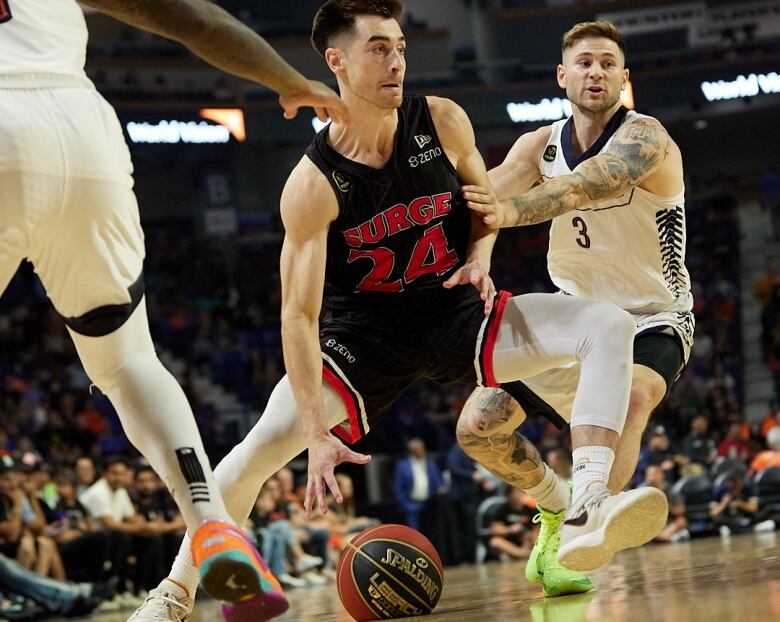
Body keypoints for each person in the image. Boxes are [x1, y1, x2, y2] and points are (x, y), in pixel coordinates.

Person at [135, 4, 666, 620]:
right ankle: (174, 593)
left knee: (606, 324)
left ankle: (587, 503)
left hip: (455, 313)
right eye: (378, 49)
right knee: (259, 450)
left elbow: (483, 207)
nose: (396, 62)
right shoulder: (312, 183)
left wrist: (481, 255)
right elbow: (296, 319)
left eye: (401, 48)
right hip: (365, 338)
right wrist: (314, 430)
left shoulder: (441, 119)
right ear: (335, 61)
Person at [1, 0, 348, 616]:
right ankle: (212, 523)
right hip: (81, 129)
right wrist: (288, 80)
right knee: (127, 362)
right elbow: (192, 18)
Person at [459, 19, 692, 595]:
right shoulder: (538, 144)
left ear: (624, 78)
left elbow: (584, 186)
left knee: (634, 394)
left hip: (653, 316)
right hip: (575, 318)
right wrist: (479, 252)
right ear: (562, 75)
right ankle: (558, 506)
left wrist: (505, 216)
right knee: (478, 429)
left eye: (608, 63)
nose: (597, 72)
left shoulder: (646, 138)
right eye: (585, 62)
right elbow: (485, 196)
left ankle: (589, 522)